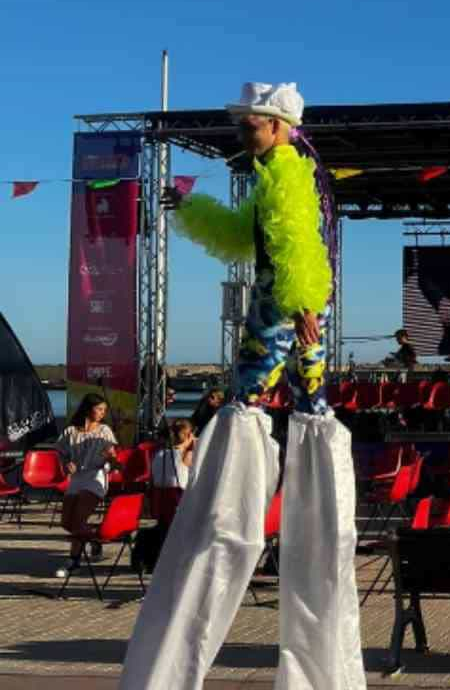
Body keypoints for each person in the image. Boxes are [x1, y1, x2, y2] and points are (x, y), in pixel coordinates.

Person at [120, 82, 366, 690]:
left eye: (252, 124)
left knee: (259, 395)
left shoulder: (285, 172)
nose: (243, 132)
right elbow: (250, 240)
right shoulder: (273, 171)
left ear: (278, 127)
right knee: (295, 402)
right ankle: (265, 439)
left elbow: (298, 243)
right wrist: (196, 215)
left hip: (284, 302)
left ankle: (246, 462)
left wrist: (304, 301)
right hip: (280, 298)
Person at [53, 394, 118, 578]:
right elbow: (60, 452)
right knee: (67, 522)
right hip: (77, 478)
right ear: (88, 409)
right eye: (99, 409)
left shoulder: (104, 430)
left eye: (104, 410)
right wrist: (66, 463)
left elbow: (112, 455)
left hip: (95, 476)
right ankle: (95, 539)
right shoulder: (71, 431)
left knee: (79, 519)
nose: (101, 413)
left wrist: (111, 459)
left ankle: (74, 561)